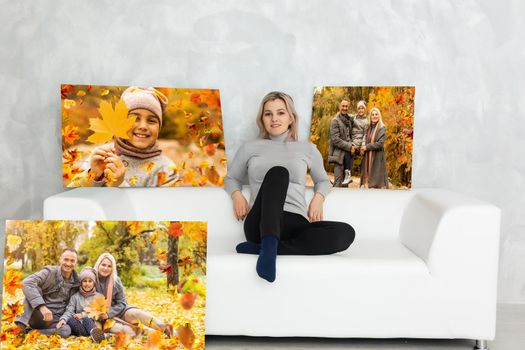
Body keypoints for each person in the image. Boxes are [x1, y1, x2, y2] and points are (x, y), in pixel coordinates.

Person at [225, 91, 356, 283]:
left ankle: (267, 250)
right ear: (262, 118)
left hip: (296, 225)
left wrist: (319, 198)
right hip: (259, 225)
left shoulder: (308, 149)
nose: (274, 118)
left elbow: (322, 181)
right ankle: (268, 247)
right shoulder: (250, 147)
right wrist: (236, 195)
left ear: (291, 118)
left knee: (346, 233)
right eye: (268, 113)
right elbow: (231, 178)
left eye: (280, 112)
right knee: (279, 172)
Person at [68, 86, 178, 187]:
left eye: (151, 120)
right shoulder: (101, 156)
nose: (143, 126)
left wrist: (119, 184)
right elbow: (73, 198)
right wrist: (93, 175)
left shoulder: (166, 169)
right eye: (134, 118)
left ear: (159, 127)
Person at [93, 252, 173, 337]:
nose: (106, 268)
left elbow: (122, 303)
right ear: (98, 265)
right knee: (123, 330)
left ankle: (166, 329)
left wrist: (109, 313)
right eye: (103, 265)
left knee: (137, 313)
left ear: (113, 268)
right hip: (101, 318)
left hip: (119, 312)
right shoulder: (91, 279)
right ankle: (146, 332)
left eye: (109, 266)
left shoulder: (116, 281)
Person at [15, 248, 80, 338]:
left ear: (76, 263)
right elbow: (26, 282)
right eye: (66, 259)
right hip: (38, 315)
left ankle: (31, 333)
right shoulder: (49, 272)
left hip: (55, 320)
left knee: (66, 330)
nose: (68, 263)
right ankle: (19, 327)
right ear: (60, 259)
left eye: (72, 261)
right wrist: (42, 306)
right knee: (33, 289)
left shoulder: (77, 282)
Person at [56, 267, 106, 342]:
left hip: (93, 323)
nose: (87, 284)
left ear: (94, 283)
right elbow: (69, 310)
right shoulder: (75, 297)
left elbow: (98, 313)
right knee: (71, 320)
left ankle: (94, 334)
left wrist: (83, 315)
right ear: (81, 283)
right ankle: (90, 336)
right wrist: (63, 319)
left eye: (90, 281)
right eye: (84, 281)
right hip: (78, 324)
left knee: (86, 319)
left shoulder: (99, 297)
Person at [360, 107, 388, 188]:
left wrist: (367, 147)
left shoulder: (382, 128)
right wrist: (362, 147)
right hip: (367, 156)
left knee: (376, 183)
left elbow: (380, 144)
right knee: (366, 183)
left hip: (377, 157)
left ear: (379, 116)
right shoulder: (368, 128)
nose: (374, 116)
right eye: (373, 115)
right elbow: (364, 139)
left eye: (376, 114)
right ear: (370, 117)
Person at [328, 98, 353, 187]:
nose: (345, 108)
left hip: (348, 156)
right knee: (338, 183)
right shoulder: (335, 121)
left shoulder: (349, 120)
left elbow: (349, 136)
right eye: (343, 106)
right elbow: (335, 140)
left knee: (345, 185)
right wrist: (350, 146)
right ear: (339, 106)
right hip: (339, 157)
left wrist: (353, 146)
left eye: (346, 106)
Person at [347, 100, 369, 185]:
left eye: (362, 108)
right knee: (344, 154)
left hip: (358, 141)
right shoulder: (354, 117)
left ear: (365, 109)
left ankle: (348, 176)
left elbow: (365, 135)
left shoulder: (366, 122)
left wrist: (362, 146)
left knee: (348, 153)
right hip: (351, 140)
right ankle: (341, 177)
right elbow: (346, 116)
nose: (360, 110)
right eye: (359, 108)